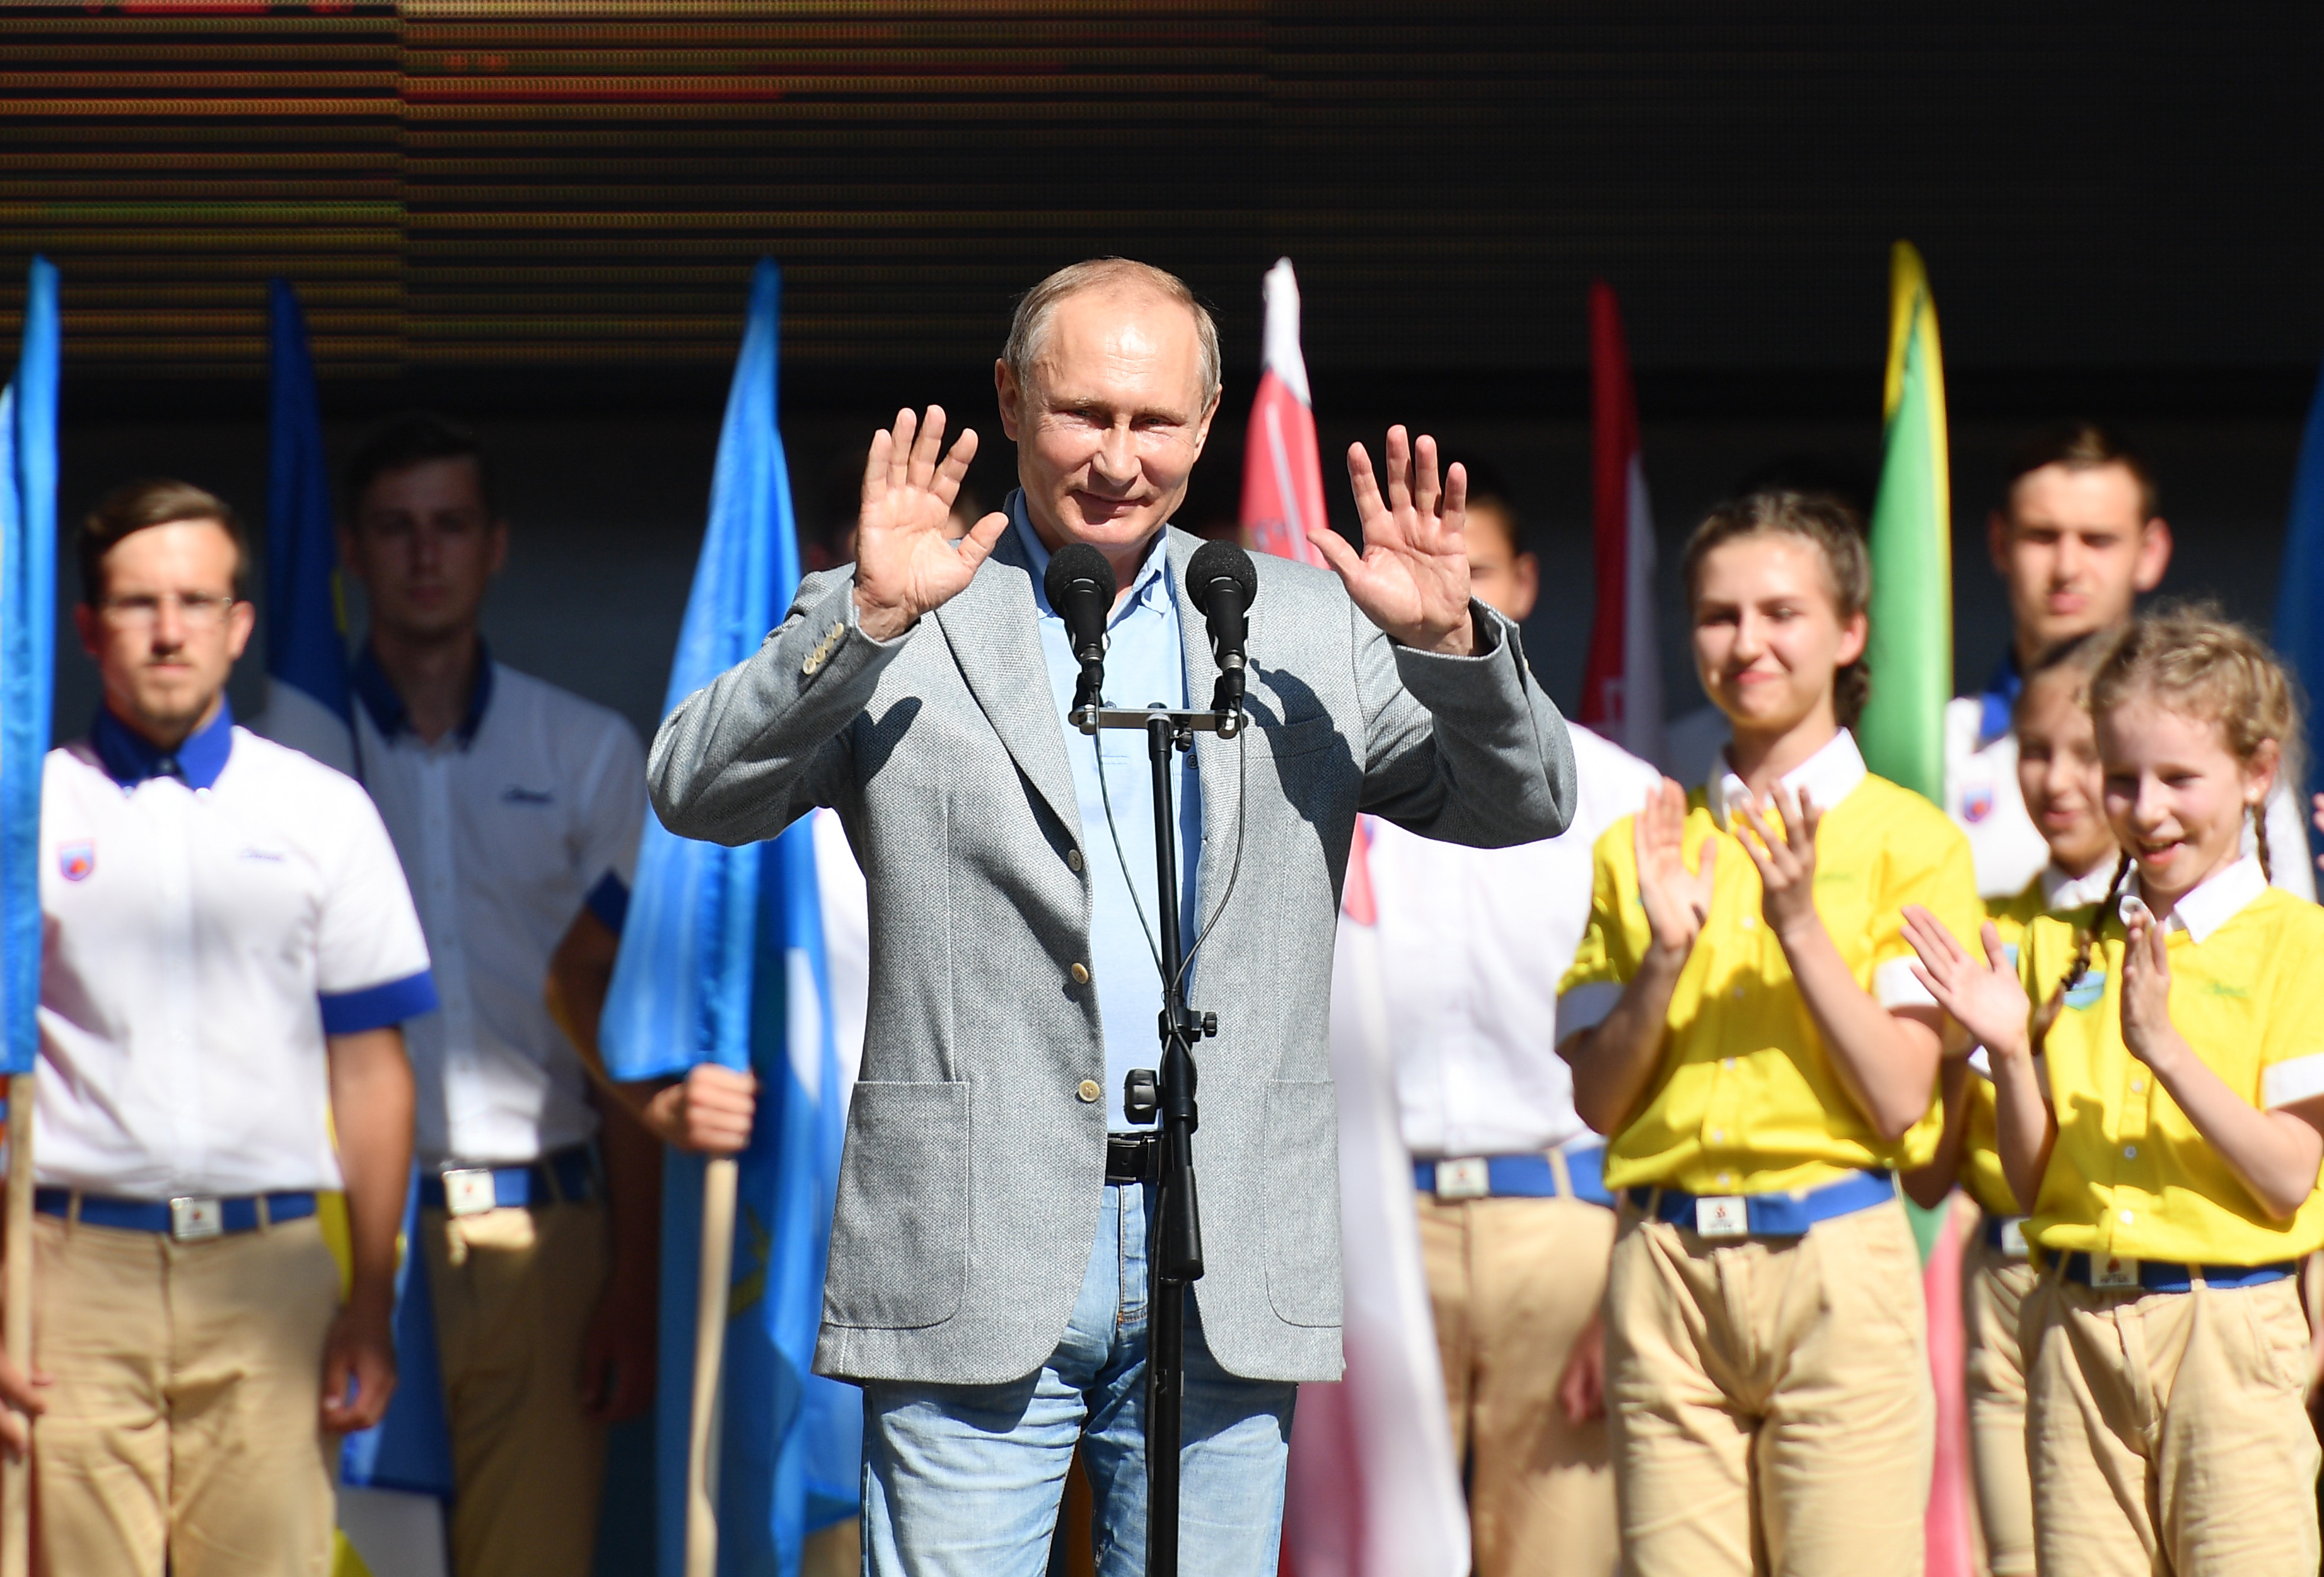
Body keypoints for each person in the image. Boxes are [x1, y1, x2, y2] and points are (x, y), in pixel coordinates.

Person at [645, 257, 1577, 1574]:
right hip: (972, 1233)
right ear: (1011, 401)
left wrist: (1455, 645)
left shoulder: (1306, 622)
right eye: (1085, 413)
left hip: (1224, 1236)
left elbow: (1529, 797)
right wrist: (860, 617)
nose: (1118, 458)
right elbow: (694, 787)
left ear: (1206, 426)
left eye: (1153, 423)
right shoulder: (911, 596)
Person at [0, 480, 433, 1576]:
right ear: (88, 628)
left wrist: (371, 1297)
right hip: (69, 1279)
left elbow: (373, 1073)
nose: (169, 631)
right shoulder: (14, 824)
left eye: (195, 600)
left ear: (240, 623)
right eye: (137, 604)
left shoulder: (324, 810)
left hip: (272, 1276)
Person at [1559, 489, 1979, 1576]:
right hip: (1662, 1261)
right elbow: (1599, 1102)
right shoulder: (1638, 844)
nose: (1747, 643)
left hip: (1834, 1259)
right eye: (1718, 614)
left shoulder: (1912, 842)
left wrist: (1799, 925)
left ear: (1849, 633)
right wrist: (1662, 957)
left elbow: (1900, 1099)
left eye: (1781, 613)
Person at [335, 415, 697, 1577]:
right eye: (396, 528)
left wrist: (634, 1284)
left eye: (449, 525)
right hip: (343, 1256)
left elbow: (627, 1037)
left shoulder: (589, 750)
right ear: (352, 551)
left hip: (548, 1241)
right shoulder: (294, 755)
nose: (424, 554)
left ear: (495, 546)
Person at [1905, 607, 2324, 1575]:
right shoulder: (2066, 944)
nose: (2145, 808)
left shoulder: (2293, 943)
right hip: (2072, 1324)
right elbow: (2032, 1182)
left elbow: (2285, 1176)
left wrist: (2163, 1050)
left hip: (2224, 1329)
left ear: (2255, 772)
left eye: (2178, 779)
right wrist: (2009, 1054)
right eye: (2122, 777)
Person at [1359, 467, 1655, 1577]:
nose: (1446, 597)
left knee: (1560, 1553)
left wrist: (1627, 1266)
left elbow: (1656, 1039)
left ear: (1524, 584)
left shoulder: (1621, 790)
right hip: (1377, 1226)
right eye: (1417, 575)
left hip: (1566, 1222)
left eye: (1474, 573)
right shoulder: (1341, 783)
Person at [1902, 629, 2121, 1577]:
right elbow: (1926, 1173)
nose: (2057, 780)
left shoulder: (2183, 935)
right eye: (2035, 750)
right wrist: (1958, 1045)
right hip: (1999, 1280)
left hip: (2135, 1284)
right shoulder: (1987, 934)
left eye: (2088, 752)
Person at [1947, 423, 2313, 900]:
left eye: (2096, 540)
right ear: (1998, 543)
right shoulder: (1938, 741)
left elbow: (2288, 946)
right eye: (2041, 536)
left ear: (2150, 551)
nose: (2066, 569)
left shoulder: (2222, 738)